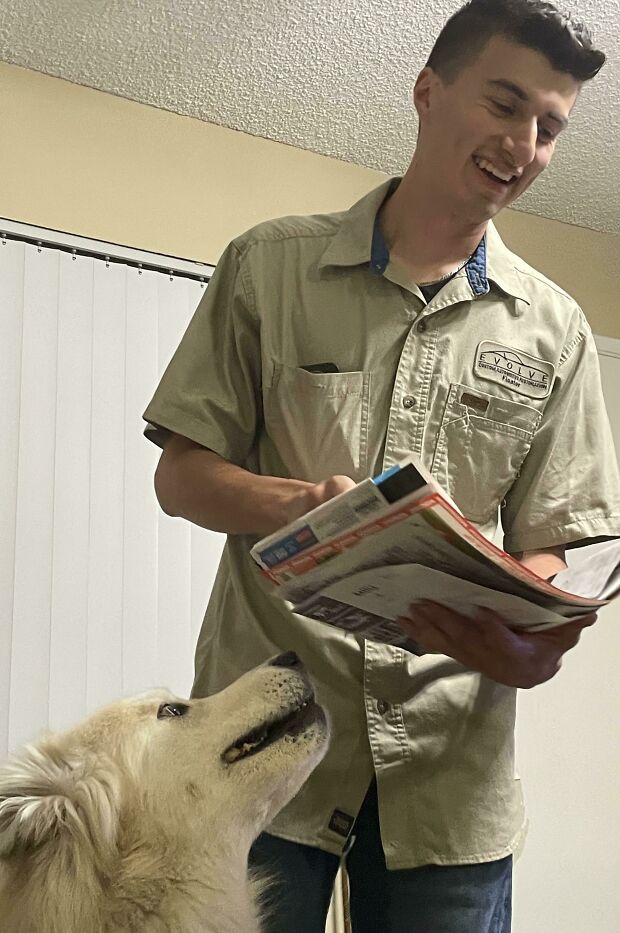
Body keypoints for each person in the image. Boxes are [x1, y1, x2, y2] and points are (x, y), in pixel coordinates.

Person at [143, 1, 620, 930]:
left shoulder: (557, 329)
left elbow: (567, 537)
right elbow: (181, 475)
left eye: (549, 127)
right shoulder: (266, 268)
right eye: (505, 102)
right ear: (428, 91)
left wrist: (536, 618)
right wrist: (305, 502)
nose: (522, 143)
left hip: (451, 772)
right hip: (259, 746)